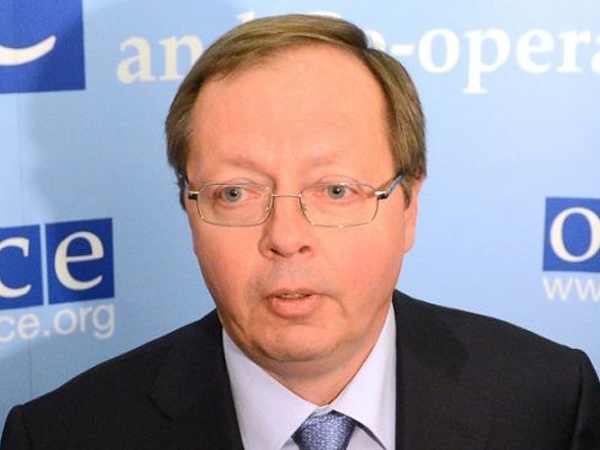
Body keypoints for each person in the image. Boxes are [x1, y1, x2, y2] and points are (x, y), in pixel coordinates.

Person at [2, 14, 599, 450]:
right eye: (235, 193)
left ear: (408, 206)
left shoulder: (548, 401)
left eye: (335, 190)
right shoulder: (63, 435)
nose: (285, 237)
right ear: (190, 211)